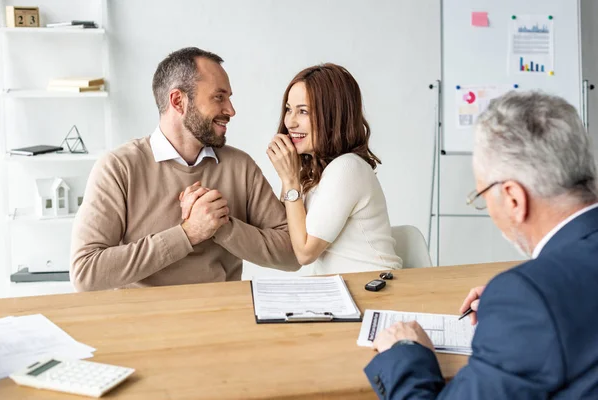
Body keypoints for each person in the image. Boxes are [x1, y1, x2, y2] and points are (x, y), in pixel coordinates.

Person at [364, 91, 598, 399]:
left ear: (514, 198)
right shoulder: (531, 297)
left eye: (482, 196)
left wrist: (405, 352)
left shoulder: (528, 299)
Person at [70, 47, 299, 291]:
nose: (231, 110)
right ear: (178, 101)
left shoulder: (240, 167)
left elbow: (292, 253)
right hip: (143, 323)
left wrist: (221, 226)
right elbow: (86, 273)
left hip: (222, 320)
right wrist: (187, 234)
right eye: (219, 97)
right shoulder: (118, 168)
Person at [264, 63, 402, 275]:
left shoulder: (347, 167)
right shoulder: (316, 173)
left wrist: (290, 180)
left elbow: (304, 253)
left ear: (332, 117)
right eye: (289, 110)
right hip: (340, 293)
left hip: (375, 290)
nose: (290, 122)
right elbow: (289, 236)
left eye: (303, 111)